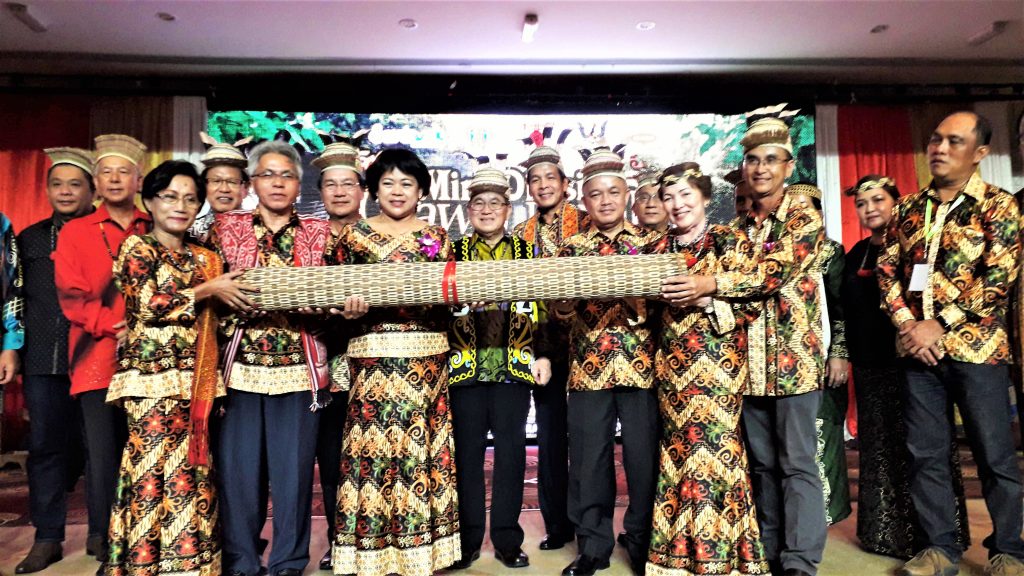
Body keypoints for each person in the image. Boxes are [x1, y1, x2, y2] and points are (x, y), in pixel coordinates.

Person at [663, 114, 827, 576]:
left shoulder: (802, 218)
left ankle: (800, 560)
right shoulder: (737, 229)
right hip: (745, 366)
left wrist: (710, 283)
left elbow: (771, 274)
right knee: (762, 465)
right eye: (753, 160)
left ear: (788, 167)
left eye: (771, 160)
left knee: (797, 463)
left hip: (793, 363)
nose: (761, 168)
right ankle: (769, 550)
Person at [877, 111, 1024, 576]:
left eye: (954, 141)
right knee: (926, 455)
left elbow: (997, 279)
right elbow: (886, 272)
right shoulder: (907, 208)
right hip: (917, 354)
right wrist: (910, 327)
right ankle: (938, 550)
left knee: (994, 455)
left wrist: (938, 324)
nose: (939, 148)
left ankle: (1009, 551)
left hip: (978, 352)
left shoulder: (998, 206)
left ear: (980, 153)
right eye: (936, 139)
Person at [104, 160, 256, 576]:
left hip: (198, 381)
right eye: (170, 197)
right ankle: (145, 565)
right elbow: (148, 305)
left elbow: (220, 318)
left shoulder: (206, 257)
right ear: (150, 202)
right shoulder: (138, 249)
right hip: (150, 383)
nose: (181, 206)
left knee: (194, 473)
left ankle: (191, 566)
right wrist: (208, 290)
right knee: (152, 473)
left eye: (190, 199)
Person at [331, 147, 460, 576]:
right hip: (372, 362)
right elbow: (333, 297)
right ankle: (371, 555)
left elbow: (448, 301)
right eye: (388, 182)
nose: (397, 190)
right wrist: (346, 310)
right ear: (374, 190)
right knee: (374, 454)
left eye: (407, 182)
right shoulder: (353, 237)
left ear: (421, 191)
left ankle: (421, 554)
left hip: (427, 363)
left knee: (418, 455)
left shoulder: (438, 237)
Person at [209, 140, 333, 576]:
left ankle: (288, 562)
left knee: (293, 476)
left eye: (287, 175)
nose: (277, 183)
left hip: (299, 371)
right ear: (252, 183)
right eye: (268, 174)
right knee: (239, 476)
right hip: (238, 372)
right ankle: (242, 561)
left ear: (299, 184)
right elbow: (204, 286)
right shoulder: (223, 229)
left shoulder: (321, 233)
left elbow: (336, 295)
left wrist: (327, 308)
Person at [840, 175, 971, 558]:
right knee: (879, 450)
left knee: (923, 450)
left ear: (897, 203)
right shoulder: (856, 254)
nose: (869, 209)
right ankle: (883, 535)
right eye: (861, 203)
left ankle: (934, 539)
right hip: (870, 366)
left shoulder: (916, 248)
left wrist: (916, 337)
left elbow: (926, 303)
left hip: (913, 362)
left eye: (878, 200)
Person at [648, 163, 769, 576]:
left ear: (704, 196)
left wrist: (709, 298)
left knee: (716, 455)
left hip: (720, 368)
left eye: (686, 195)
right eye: (669, 197)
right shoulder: (657, 249)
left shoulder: (729, 240)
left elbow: (756, 300)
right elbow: (644, 312)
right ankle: (677, 560)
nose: (677, 204)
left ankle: (726, 561)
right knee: (680, 455)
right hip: (672, 371)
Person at [556, 148, 660, 576]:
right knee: (588, 462)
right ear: (584, 200)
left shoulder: (651, 244)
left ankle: (641, 540)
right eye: (595, 194)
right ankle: (593, 546)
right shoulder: (572, 249)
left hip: (642, 367)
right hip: (588, 369)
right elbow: (559, 313)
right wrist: (566, 301)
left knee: (643, 460)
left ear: (626, 195)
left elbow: (665, 308)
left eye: (613, 192)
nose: (605, 201)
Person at [54, 134, 151, 570]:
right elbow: (71, 296)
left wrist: (143, 328)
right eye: (106, 172)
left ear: (138, 180)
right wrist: (114, 326)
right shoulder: (76, 231)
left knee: (147, 445)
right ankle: (103, 532)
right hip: (96, 355)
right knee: (103, 451)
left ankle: (145, 529)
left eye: (123, 172)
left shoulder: (153, 225)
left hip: (152, 358)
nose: (114, 179)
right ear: (96, 181)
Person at [447, 166, 550, 571]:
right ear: (468, 209)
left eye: (495, 203)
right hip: (465, 369)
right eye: (479, 203)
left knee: (511, 455)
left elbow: (543, 310)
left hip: (513, 367)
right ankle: (467, 539)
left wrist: (543, 354)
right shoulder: (451, 254)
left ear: (508, 209)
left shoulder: (527, 252)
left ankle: (507, 540)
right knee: (466, 457)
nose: (487, 210)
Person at [14, 147, 94, 574]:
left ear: (92, 190)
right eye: (57, 184)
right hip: (43, 358)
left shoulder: (108, 233)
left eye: (74, 184)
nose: (64, 192)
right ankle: (47, 538)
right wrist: (10, 348)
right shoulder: (28, 239)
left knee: (100, 450)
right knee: (45, 448)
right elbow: (13, 296)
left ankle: (104, 534)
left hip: (98, 358)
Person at [511, 145, 584, 551]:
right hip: (544, 347)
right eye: (535, 179)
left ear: (565, 184)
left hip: (591, 343)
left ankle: (589, 522)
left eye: (550, 178)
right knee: (551, 436)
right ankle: (558, 525)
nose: (543, 185)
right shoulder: (521, 235)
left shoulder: (587, 224)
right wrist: (537, 350)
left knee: (588, 440)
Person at [311, 141, 365, 571]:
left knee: (370, 457)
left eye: (348, 184)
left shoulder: (376, 238)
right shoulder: (308, 241)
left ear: (362, 190)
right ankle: (338, 540)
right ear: (321, 192)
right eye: (331, 185)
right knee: (331, 459)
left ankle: (373, 538)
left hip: (372, 365)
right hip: (319, 366)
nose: (340, 192)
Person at [785, 182, 852, 526]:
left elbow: (841, 309)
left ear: (819, 214)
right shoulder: (777, 251)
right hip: (785, 362)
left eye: (805, 207)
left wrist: (838, 353)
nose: (798, 213)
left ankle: (826, 514)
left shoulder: (830, 252)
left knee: (823, 432)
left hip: (823, 357)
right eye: (791, 207)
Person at [190, 134, 251, 242]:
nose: (224, 189)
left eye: (232, 182)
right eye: (216, 181)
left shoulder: (257, 231)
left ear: (245, 187)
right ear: (204, 186)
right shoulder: (191, 231)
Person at [632, 167, 669, 232]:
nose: (651, 204)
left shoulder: (683, 237)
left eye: (659, 197)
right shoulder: (619, 238)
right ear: (634, 208)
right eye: (644, 198)